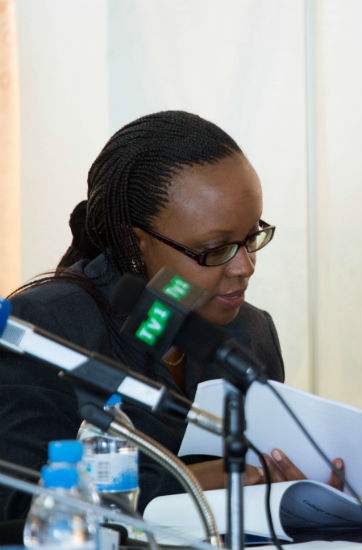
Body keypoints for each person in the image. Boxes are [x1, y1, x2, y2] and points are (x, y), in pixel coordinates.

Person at [0, 110, 342, 522]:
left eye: (252, 238)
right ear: (135, 240)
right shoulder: (45, 329)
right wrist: (197, 483)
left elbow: (261, 484)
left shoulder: (249, 334)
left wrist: (299, 496)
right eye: (215, 250)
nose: (245, 267)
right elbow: (19, 506)